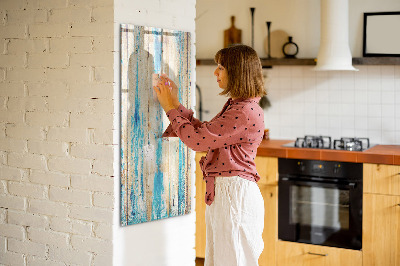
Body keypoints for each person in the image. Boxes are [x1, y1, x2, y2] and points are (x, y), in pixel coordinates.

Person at [153, 44, 266, 266]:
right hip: (228, 194)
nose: (215, 72)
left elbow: (197, 141)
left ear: (237, 71)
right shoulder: (239, 106)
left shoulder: (243, 111)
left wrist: (170, 108)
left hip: (234, 196)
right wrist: (175, 104)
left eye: (221, 67)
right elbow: (205, 133)